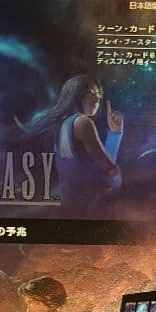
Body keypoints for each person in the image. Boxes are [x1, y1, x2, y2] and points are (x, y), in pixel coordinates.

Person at [28, 75, 125, 215]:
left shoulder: (62, 122)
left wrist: (114, 133)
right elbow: (109, 169)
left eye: (99, 94)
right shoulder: (83, 122)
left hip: (69, 204)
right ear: (75, 94)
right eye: (91, 93)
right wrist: (116, 180)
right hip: (89, 206)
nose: (97, 99)